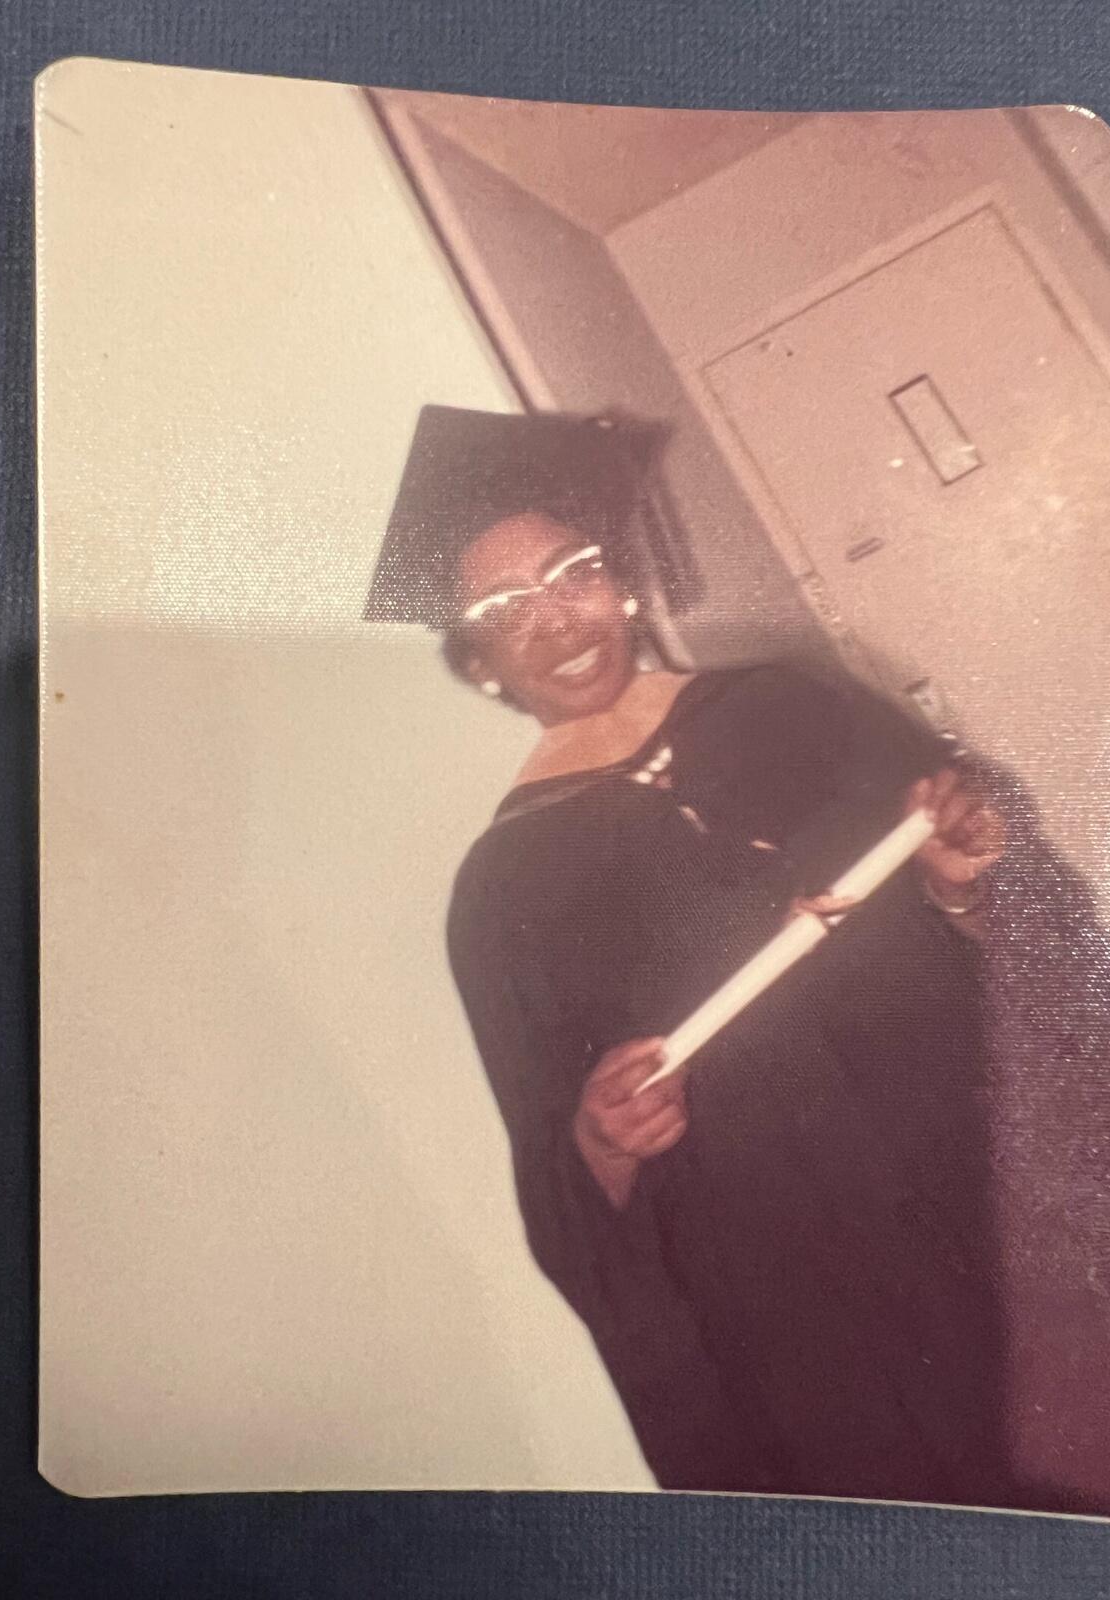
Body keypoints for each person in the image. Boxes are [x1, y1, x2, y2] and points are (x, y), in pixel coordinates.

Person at [369, 404, 1016, 1508]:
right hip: (802, 1290)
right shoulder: (503, 889)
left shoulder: (796, 707)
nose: (556, 620)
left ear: (619, 579)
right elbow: (560, 1176)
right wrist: (600, 1137)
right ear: (479, 662)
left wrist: (961, 885)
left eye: (572, 573)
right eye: (505, 610)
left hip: (983, 1184)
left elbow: (1013, 948)